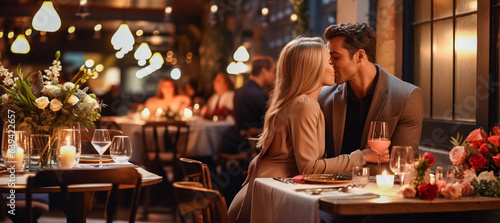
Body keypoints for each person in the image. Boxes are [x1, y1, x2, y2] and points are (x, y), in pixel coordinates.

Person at [227, 37, 382, 223]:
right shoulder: (305, 105)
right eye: (328, 61)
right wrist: (362, 156)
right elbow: (309, 168)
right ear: (312, 68)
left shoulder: (297, 102)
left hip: (267, 191)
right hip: (268, 200)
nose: (334, 66)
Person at [319, 22, 423, 174]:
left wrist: (339, 169)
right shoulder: (324, 97)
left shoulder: (406, 97)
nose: (330, 64)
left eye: (335, 57)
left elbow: (402, 164)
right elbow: (317, 162)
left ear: (360, 56)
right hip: (330, 190)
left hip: (379, 192)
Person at [234, 55, 276, 138]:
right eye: (272, 71)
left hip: (238, 141)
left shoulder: (239, 91)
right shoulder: (258, 95)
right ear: (264, 72)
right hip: (252, 144)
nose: (274, 76)